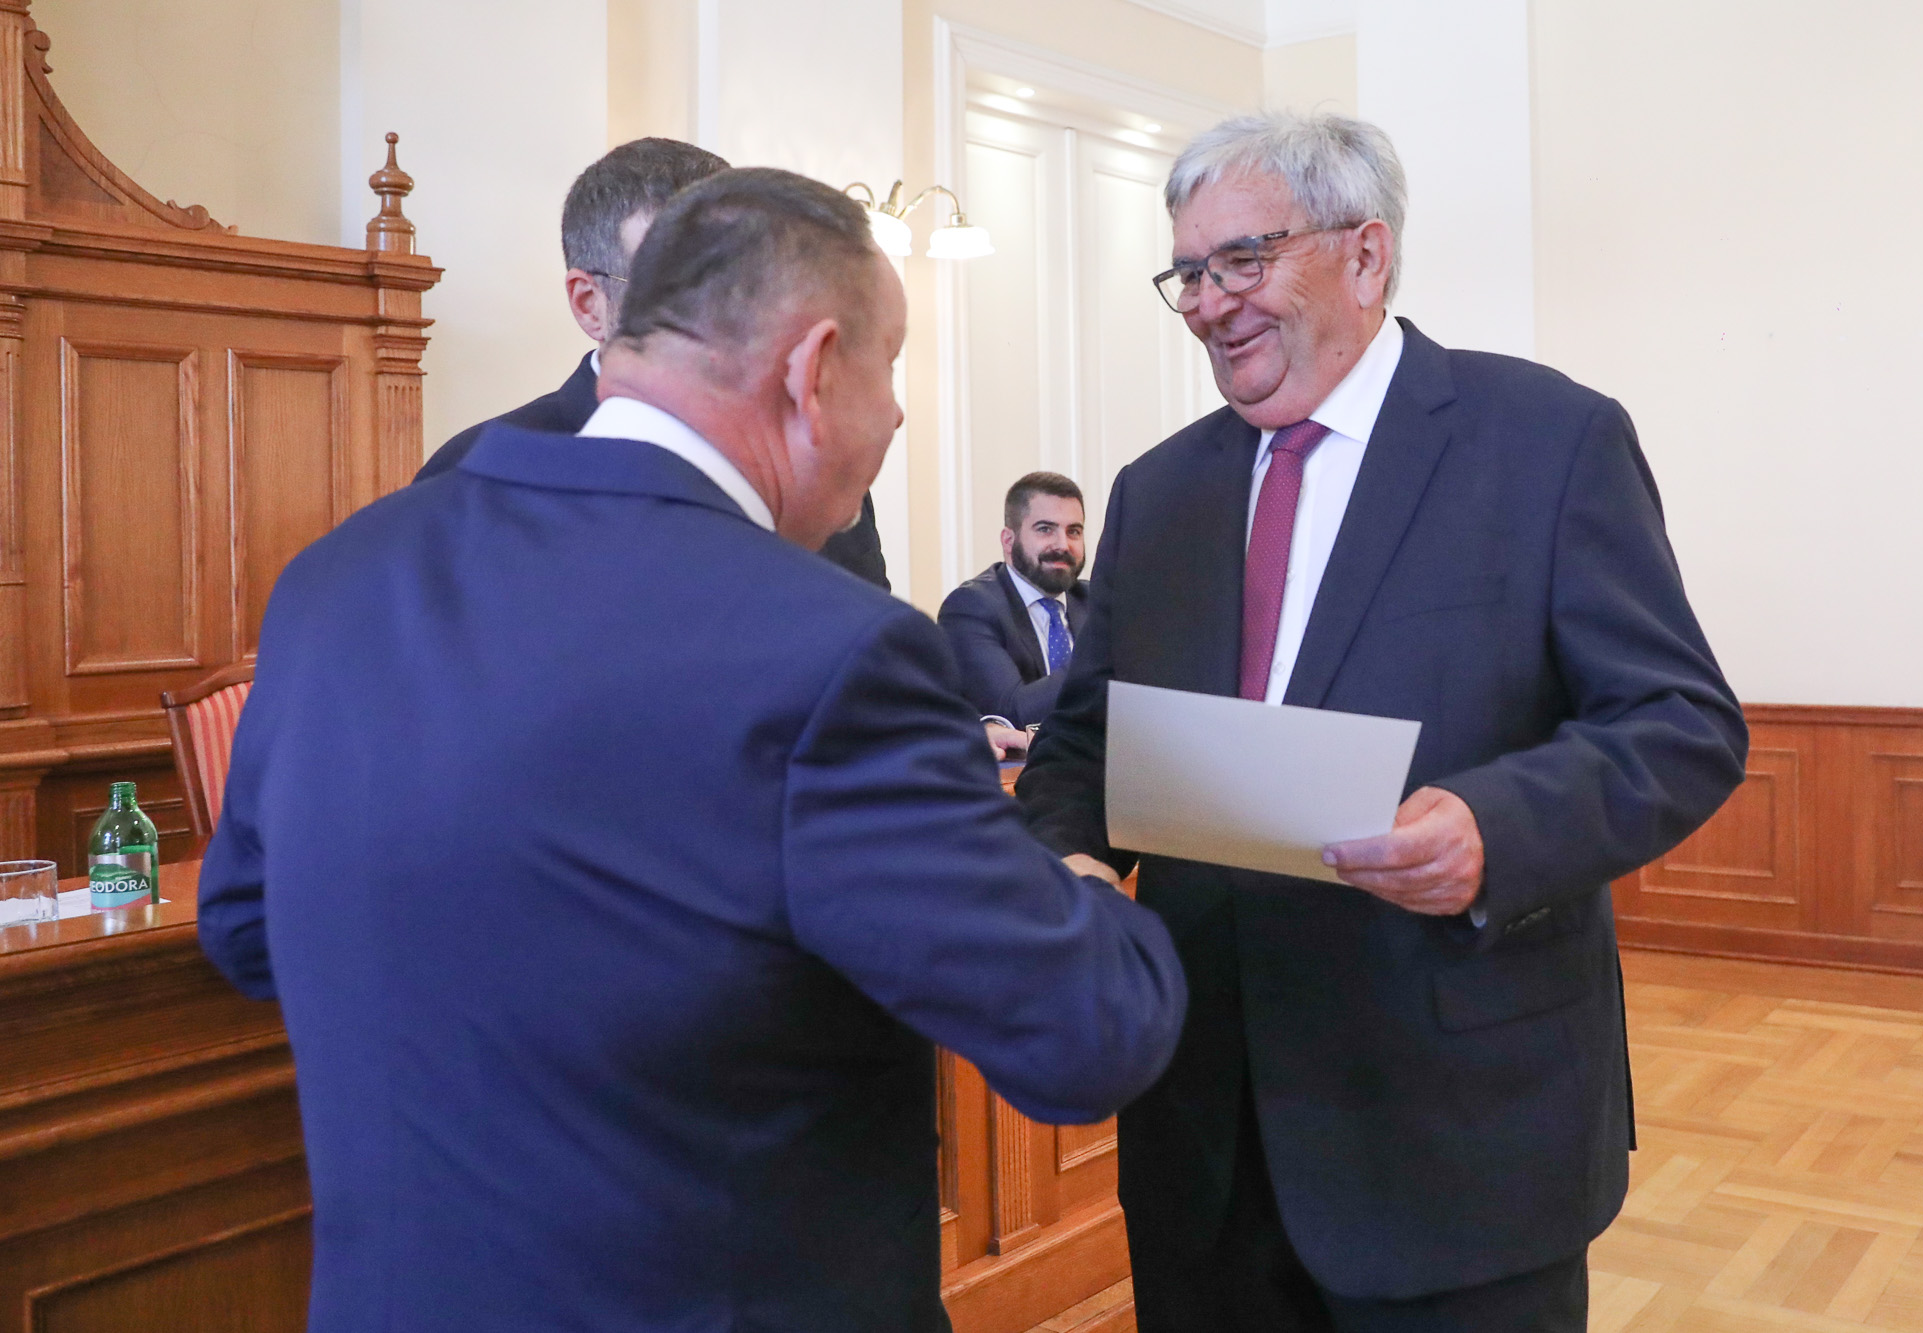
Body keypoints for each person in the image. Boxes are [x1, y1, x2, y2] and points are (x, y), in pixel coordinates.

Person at [199, 167, 1185, 1333]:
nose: (897, 416)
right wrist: (1079, 873)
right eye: (891, 367)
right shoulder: (835, 652)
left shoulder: (336, 578)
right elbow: (1085, 1032)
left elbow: (247, 927)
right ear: (813, 370)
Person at [1017, 111, 1748, 1331]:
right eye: (1187, 273)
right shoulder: (1157, 491)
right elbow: (1082, 748)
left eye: (1240, 260)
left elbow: (1678, 723)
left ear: (1364, 255)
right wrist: (1071, 862)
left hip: (1456, 1137)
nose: (1206, 304)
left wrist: (1492, 829)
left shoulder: (1547, 441)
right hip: (1205, 1145)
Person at [412, 136, 891, 589]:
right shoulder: (474, 474)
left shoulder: (812, 460)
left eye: (740, 280)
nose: (721, 311)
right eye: (675, 285)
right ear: (589, 304)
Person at [938, 471, 1091, 729]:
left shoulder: (1094, 600)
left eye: (1073, 531)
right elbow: (1011, 713)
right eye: (1045, 529)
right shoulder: (970, 607)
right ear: (1008, 541)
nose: (1063, 545)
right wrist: (1100, 660)